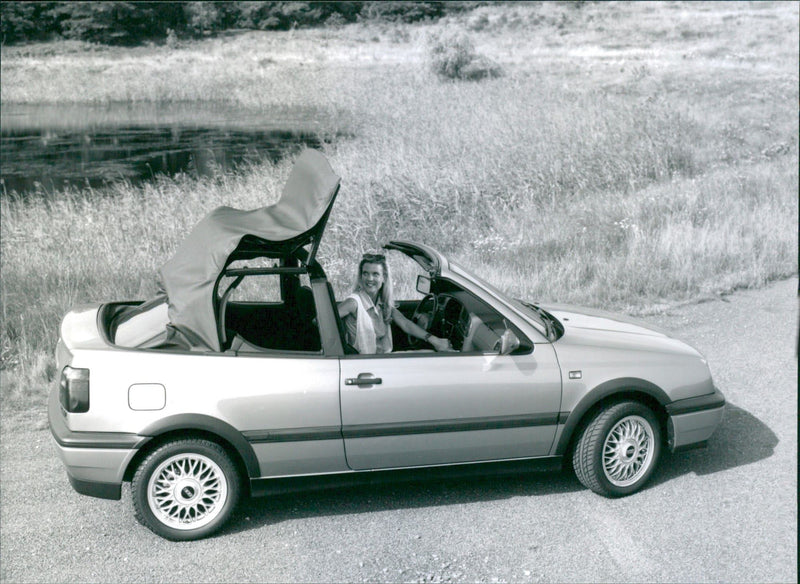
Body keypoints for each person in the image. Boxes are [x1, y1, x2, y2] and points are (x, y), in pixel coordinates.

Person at [337, 253, 451, 353]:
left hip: (382, 359)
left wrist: (434, 340)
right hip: (363, 363)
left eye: (375, 274)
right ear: (361, 277)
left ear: (384, 278)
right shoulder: (354, 302)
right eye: (365, 273)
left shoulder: (382, 303)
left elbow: (405, 324)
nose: (369, 279)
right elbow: (325, 320)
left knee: (430, 354)